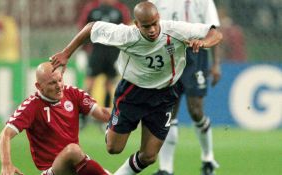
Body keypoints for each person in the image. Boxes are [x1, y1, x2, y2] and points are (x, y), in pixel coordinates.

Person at [50, 2, 222, 174]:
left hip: (164, 94)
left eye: (154, 24)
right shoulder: (126, 34)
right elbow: (91, 27)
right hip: (133, 93)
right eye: (146, 26)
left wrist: (205, 43)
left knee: (149, 156)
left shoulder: (175, 30)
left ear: (159, 19)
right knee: (113, 148)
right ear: (136, 24)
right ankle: (113, 125)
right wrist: (66, 53)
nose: (152, 30)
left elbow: (215, 32)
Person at [0, 62, 111, 175]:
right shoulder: (31, 106)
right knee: (73, 150)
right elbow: (5, 134)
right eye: (52, 83)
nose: (58, 86)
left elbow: (103, 113)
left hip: (75, 167)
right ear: (39, 86)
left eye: (60, 80)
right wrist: (6, 164)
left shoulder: (73, 93)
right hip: (52, 170)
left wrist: (126, 116)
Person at [150, 0, 221, 175]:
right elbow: (147, 26)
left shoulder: (204, 2)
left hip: (196, 53)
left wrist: (216, 64)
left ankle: (208, 157)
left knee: (195, 110)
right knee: (168, 111)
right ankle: (165, 168)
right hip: (169, 53)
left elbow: (214, 31)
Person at [77, 0, 131, 129]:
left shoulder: (121, 9)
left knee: (109, 85)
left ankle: (105, 119)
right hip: (96, 51)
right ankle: (82, 118)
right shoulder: (92, 8)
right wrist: (82, 50)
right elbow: (82, 28)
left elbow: (128, 30)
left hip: (113, 53)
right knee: (89, 84)